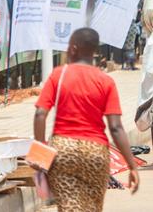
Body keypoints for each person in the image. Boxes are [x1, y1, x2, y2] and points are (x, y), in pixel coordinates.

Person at [33, 27, 140, 211]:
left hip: (64, 150)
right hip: (96, 151)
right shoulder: (106, 81)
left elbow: (40, 114)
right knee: (92, 207)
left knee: (69, 206)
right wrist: (132, 166)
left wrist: (39, 151)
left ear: (73, 48)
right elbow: (115, 128)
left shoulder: (59, 74)